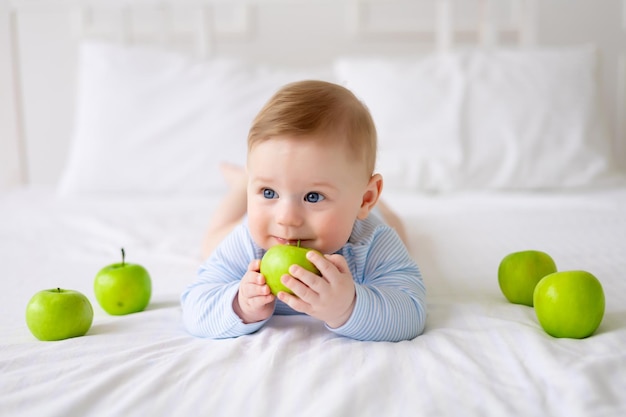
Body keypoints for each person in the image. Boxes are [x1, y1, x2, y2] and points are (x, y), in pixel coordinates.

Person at [181, 80, 426, 342]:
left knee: (398, 229)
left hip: (366, 216)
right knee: (211, 242)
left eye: (313, 196)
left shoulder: (373, 244)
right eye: (268, 192)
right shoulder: (248, 243)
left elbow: (411, 310)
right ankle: (242, 183)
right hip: (251, 222)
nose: (286, 218)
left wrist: (348, 307)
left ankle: (376, 204)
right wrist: (240, 305)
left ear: (365, 199)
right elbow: (195, 306)